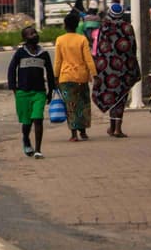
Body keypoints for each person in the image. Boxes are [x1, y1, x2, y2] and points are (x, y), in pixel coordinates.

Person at [92, 2, 141, 138]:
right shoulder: (127, 27)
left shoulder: (104, 27)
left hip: (107, 69)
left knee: (111, 95)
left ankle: (113, 127)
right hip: (124, 68)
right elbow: (133, 47)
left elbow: (99, 48)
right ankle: (117, 128)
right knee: (121, 97)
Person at [7, 25, 56, 158]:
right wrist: (14, 89)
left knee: (38, 119)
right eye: (31, 34)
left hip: (39, 92)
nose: (35, 35)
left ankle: (38, 150)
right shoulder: (20, 53)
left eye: (35, 33)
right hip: (23, 92)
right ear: (25, 38)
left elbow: (50, 74)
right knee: (27, 122)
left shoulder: (44, 53)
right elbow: (11, 70)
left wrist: (51, 91)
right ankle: (26, 139)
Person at [55, 9, 97, 142]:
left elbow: (58, 61)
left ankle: (73, 134)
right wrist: (94, 74)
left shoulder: (60, 40)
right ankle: (83, 132)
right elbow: (88, 59)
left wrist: (55, 77)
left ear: (65, 25)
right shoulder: (82, 39)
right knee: (83, 104)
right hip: (82, 77)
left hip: (66, 77)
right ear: (77, 25)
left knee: (70, 106)